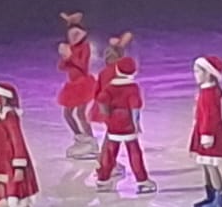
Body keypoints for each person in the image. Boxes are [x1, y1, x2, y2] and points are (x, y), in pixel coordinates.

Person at [94, 57, 155, 194]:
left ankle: (103, 180)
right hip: (127, 123)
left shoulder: (110, 87)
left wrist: (107, 115)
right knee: (134, 152)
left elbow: (101, 100)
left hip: (113, 123)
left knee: (110, 152)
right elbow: (135, 107)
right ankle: (142, 181)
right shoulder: (132, 88)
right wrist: (136, 123)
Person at [190, 55, 222, 207]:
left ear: (208, 73)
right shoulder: (205, 91)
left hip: (210, 133)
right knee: (206, 166)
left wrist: (207, 134)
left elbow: (210, 116)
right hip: (203, 131)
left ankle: (219, 200)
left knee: (211, 166)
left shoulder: (210, 94)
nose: (195, 75)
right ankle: (211, 196)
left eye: (197, 71)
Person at [92, 31, 134, 179]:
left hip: (103, 106)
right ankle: (105, 164)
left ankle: (106, 162)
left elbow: (97, 92)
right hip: (115, 109)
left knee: (109, 136)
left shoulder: (103, 72)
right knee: (111, 138)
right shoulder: (119, 73)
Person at [57, 12, 99, 159]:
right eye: (71, 35)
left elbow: (82, 65)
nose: (73, 38)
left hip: (83, 84)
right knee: (67, 114)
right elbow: (61, 67)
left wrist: (71, 56)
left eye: (76, 35)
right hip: (72, 85)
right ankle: (81, 138)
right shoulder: (70, 47)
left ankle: (92, 141)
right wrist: (64, 57)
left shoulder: (85, 47)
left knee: (81, 114)